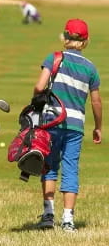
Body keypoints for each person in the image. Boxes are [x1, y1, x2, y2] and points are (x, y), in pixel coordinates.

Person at [34, 19, 102, 232]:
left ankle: (48, 214)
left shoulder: (54, 58)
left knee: (49, 166)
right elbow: (96, 101)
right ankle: (68, 219)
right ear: (86, 41)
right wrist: (98, 127)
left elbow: (39, 86)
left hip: (51, 121)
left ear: (64, 37)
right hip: (75, 126)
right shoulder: (90, 68)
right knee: (70, 168)